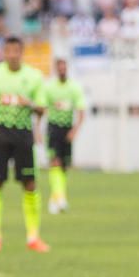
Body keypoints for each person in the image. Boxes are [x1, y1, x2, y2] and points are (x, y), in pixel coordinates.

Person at [0, 35, 49, 253]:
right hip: (0, 133)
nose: (12, 55)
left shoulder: (33, 77)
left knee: (30, 184)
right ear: (4, 52)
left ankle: (33, 236)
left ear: (21, 52)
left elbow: (43, 109)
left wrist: (30, 104)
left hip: (23, 134)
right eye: (8, 51)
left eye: (16, 51)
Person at [40, 58, 86, 214]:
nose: (62, 70)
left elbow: (81, 111)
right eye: (59, 68)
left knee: (64, 167)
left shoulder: (74, 87)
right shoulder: (49, 88)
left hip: (67, 128)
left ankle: (55, 199)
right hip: (53, 128)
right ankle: (60, 198)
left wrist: (75, 130)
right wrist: (38, 130)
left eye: (64, 68)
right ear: (55, 69)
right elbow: (42, 109)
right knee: (55, 163)